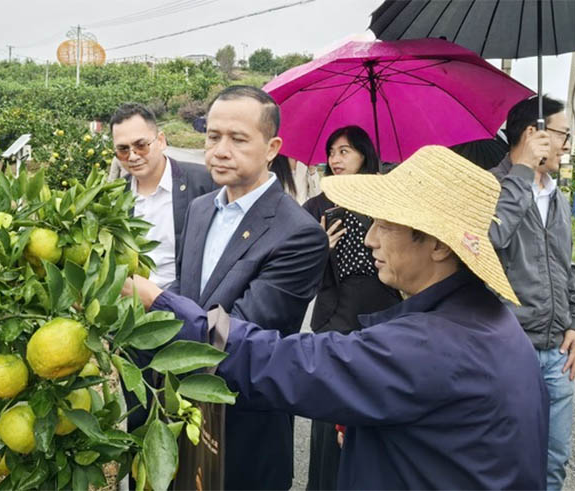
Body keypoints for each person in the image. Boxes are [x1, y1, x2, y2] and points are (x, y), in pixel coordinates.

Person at [125, 145, 548, 489]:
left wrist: (162, 304)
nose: (369, 238)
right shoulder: (485, 320)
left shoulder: (434, 344)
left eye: (385, 226)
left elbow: (281, 362)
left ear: (438, 246)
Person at [169, 85, 328, 490]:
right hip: (186, 414)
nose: (220, 150)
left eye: (238, 139)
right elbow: (191, 291)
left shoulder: (298, 234)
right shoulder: (202, 207)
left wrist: (154, 303)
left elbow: (237, 335)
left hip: (245, 425)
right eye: (213, 136)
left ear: (272, 147)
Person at [301, 126, 401, 490]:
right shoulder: (317, 208)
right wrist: (317, 252)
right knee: (329, 427)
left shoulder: (389, 202)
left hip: (384, 324)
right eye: (331, 152)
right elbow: (297, 280)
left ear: (364, 154)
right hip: (334, 325)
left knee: (375, 421)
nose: (335, 159)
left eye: (345, 151)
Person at [488, 95, 575, 490]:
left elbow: (566, 265)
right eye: (563, 134)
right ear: (533, 134)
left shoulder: (557, 195)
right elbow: (490, 242)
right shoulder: (490, 186)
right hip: (512, 347)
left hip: (558, 351)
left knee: (554, 462)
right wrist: (521, 174)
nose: (569, 144)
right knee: (507, 462)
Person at [110, 103, 216, 288]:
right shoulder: (116, 197)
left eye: (141, 145)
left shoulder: (204, 183)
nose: (133, 156)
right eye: (123, 150)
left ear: (161, 141)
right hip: (133, 306)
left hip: (187, 305)